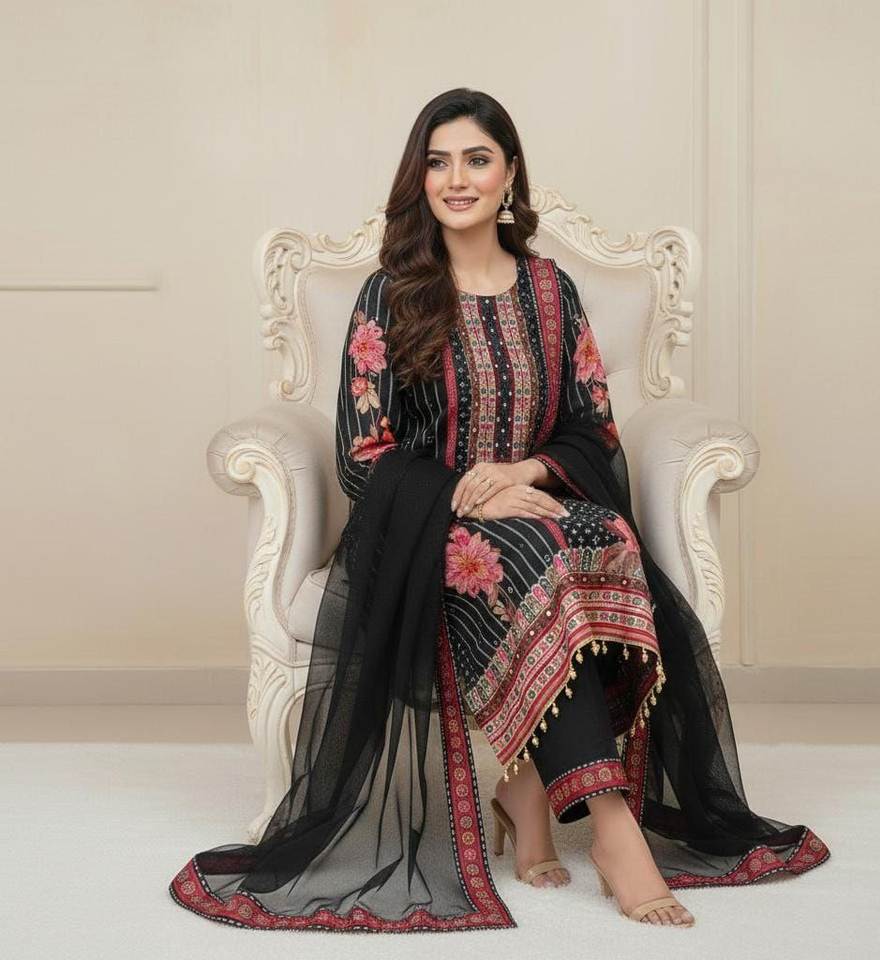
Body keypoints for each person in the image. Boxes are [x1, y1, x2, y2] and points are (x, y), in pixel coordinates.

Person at [168, 88, 830, 932]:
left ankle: (522, 786)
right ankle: (613, 827)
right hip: (419, 528)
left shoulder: (552, 290)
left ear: (509, 173)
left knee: (606, 535)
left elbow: (594, 428)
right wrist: (466, 492)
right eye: (438, 162)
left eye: (476, 160)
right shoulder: (392, 294)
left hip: (535, 503)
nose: (457, 179)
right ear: (419, 178)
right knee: (527, 557)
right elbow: (363, 455)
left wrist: (522, 474)